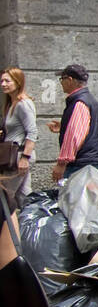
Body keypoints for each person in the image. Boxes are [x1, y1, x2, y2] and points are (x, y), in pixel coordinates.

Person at [45, 64, 98, 183]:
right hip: (87, 161)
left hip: (80, 164)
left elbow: (75, 136)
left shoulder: (79, 102)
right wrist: (63, 128)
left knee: (75, 200)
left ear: (70, 80)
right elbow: (85, 129)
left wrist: (61, 163)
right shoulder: (88, 100)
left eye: (62, 79)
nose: (61, 83)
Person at [1, 67, 37, 208]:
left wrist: (25, 158)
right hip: (15, 155)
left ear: (18, 82)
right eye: (2, 81)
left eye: (7, 81)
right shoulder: (11, 104)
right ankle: (32, 225)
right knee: (24, 195)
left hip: (19, 155)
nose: (3, 84)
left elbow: (32, 132)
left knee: (6, 194)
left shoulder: (23, 104)